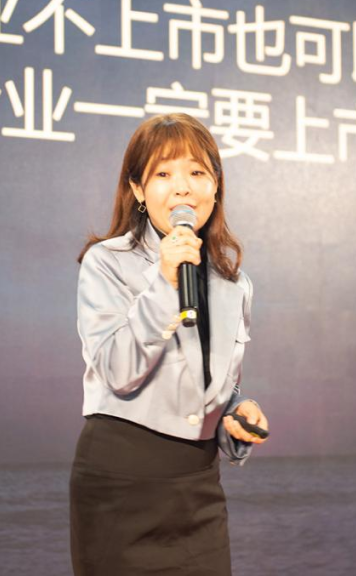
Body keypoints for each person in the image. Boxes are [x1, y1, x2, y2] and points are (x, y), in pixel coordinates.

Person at [70, 113, 269, 575]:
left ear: (215, 186)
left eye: (197, 172)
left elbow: (206, 389)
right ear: (138, 189)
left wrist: (236, 416)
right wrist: (164, 281)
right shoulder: (107, 263)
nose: (182, 188)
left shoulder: (234, 283)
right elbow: (117, 371)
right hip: (120, 483)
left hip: (198, 488)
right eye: (163, 174)